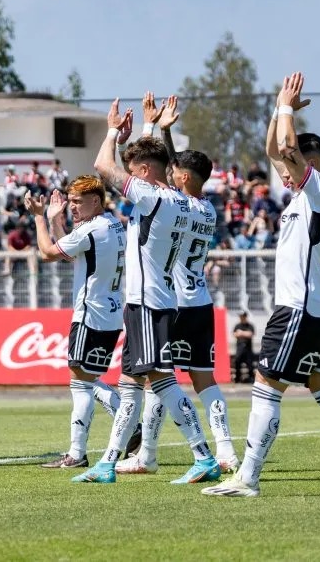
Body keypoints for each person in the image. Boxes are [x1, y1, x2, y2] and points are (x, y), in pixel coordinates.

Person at [203, 72, 320, 498]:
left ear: (307, 164)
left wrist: (288, 109)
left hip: (298, 308)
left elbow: (286, 150)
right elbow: (276, 149)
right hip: (314, 307)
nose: (282, 173)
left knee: (266, 384)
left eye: (291, 168)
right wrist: (278, 108)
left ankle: (248, 477)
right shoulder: (304, 196)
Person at [79, 92, 219, 485]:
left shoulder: (153, 196)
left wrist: (111, 132)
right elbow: (151, 164)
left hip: (148, 303)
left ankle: (203, 455)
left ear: (142, 174)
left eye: (134, 171)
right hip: (159, 300)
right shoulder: (179, 199)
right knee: (129, 386)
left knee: (162, 381)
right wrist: (146, 129)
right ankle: (109, 461)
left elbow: (102, 166)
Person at [116, 95, 239, 476]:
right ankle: (226, 450)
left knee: (158, 379)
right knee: (204, 379)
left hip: (170, 298)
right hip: (201, 300)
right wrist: (164, 131)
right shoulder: (207, 208)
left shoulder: (171, 205)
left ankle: (148, 454)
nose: (170, 174)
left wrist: (154, 131)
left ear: (183, 177)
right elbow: (175, 174)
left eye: (176, 172)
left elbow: (166, 177)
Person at [26, 179, 129, 470]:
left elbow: (47, 253)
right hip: (110, 314)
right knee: (88, 378)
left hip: (89, 314)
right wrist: (56, 219)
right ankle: (130, 425)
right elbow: (71, 252)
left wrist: (39, 217)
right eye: (70, 201)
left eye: (77, 201)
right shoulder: (111, 225)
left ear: (96, 201)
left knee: (80, 381)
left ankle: (77, 453)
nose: (72, 206)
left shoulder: (92, 229)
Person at [232, 312, 256, 384]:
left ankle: (251, 378)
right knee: (237, 362)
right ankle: (237, 379)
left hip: (248, 348)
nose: (241, 317)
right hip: (239, 348)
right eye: (240, 316)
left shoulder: (250, 325)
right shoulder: (237, 325)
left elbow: (250, 334)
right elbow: (235, 334)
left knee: (250, 364)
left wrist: (241, 333)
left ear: (245, 317)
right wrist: (245, 333)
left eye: (242, 316)